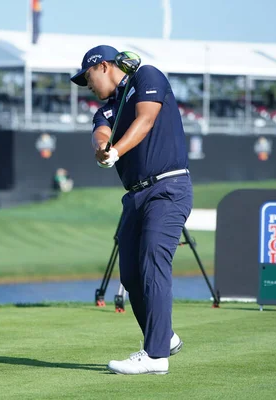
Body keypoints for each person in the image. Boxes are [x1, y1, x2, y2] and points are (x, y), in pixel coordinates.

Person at [71, 45, 193, 375]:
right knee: (130, 274)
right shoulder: (107, 109)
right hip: (136, 197)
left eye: (89, 76)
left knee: (153, 257)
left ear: (105, 66)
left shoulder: (146, 77)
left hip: (168, 188)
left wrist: (117, 151)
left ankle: (155, 356)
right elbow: (101, 132)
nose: (88, 85)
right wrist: (102, 149)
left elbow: (147, 118)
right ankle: (164, 337)